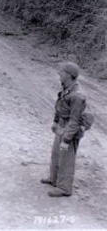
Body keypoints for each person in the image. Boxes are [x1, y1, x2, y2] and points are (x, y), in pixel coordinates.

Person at [41, 62, 87, 197]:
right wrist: (55, 122)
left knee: (66, 158)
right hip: (62, 125)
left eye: (61, 72)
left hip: (70, 128)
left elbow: (75, 121)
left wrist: (66, 140)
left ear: (68, 75)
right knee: (56, 154)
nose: (59, 74)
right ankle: (54, 179)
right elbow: (60, 106)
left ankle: (64, 188)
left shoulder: (77, 95)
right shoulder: (66, 88)